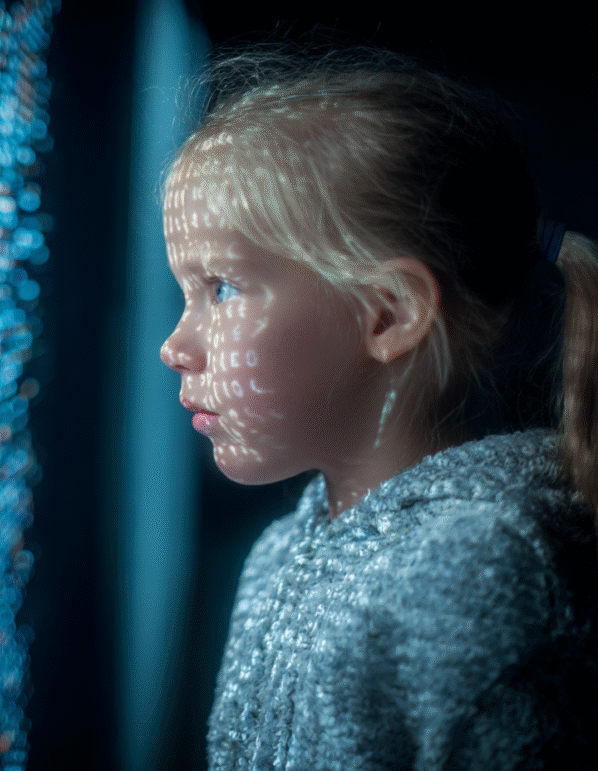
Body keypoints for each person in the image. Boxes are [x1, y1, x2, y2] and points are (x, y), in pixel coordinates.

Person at [160, 47, 597, 770]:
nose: (175, 345)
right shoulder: (278, 553)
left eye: (223, 290)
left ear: (388, 314)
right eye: (186, 293)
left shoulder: (479, 575)